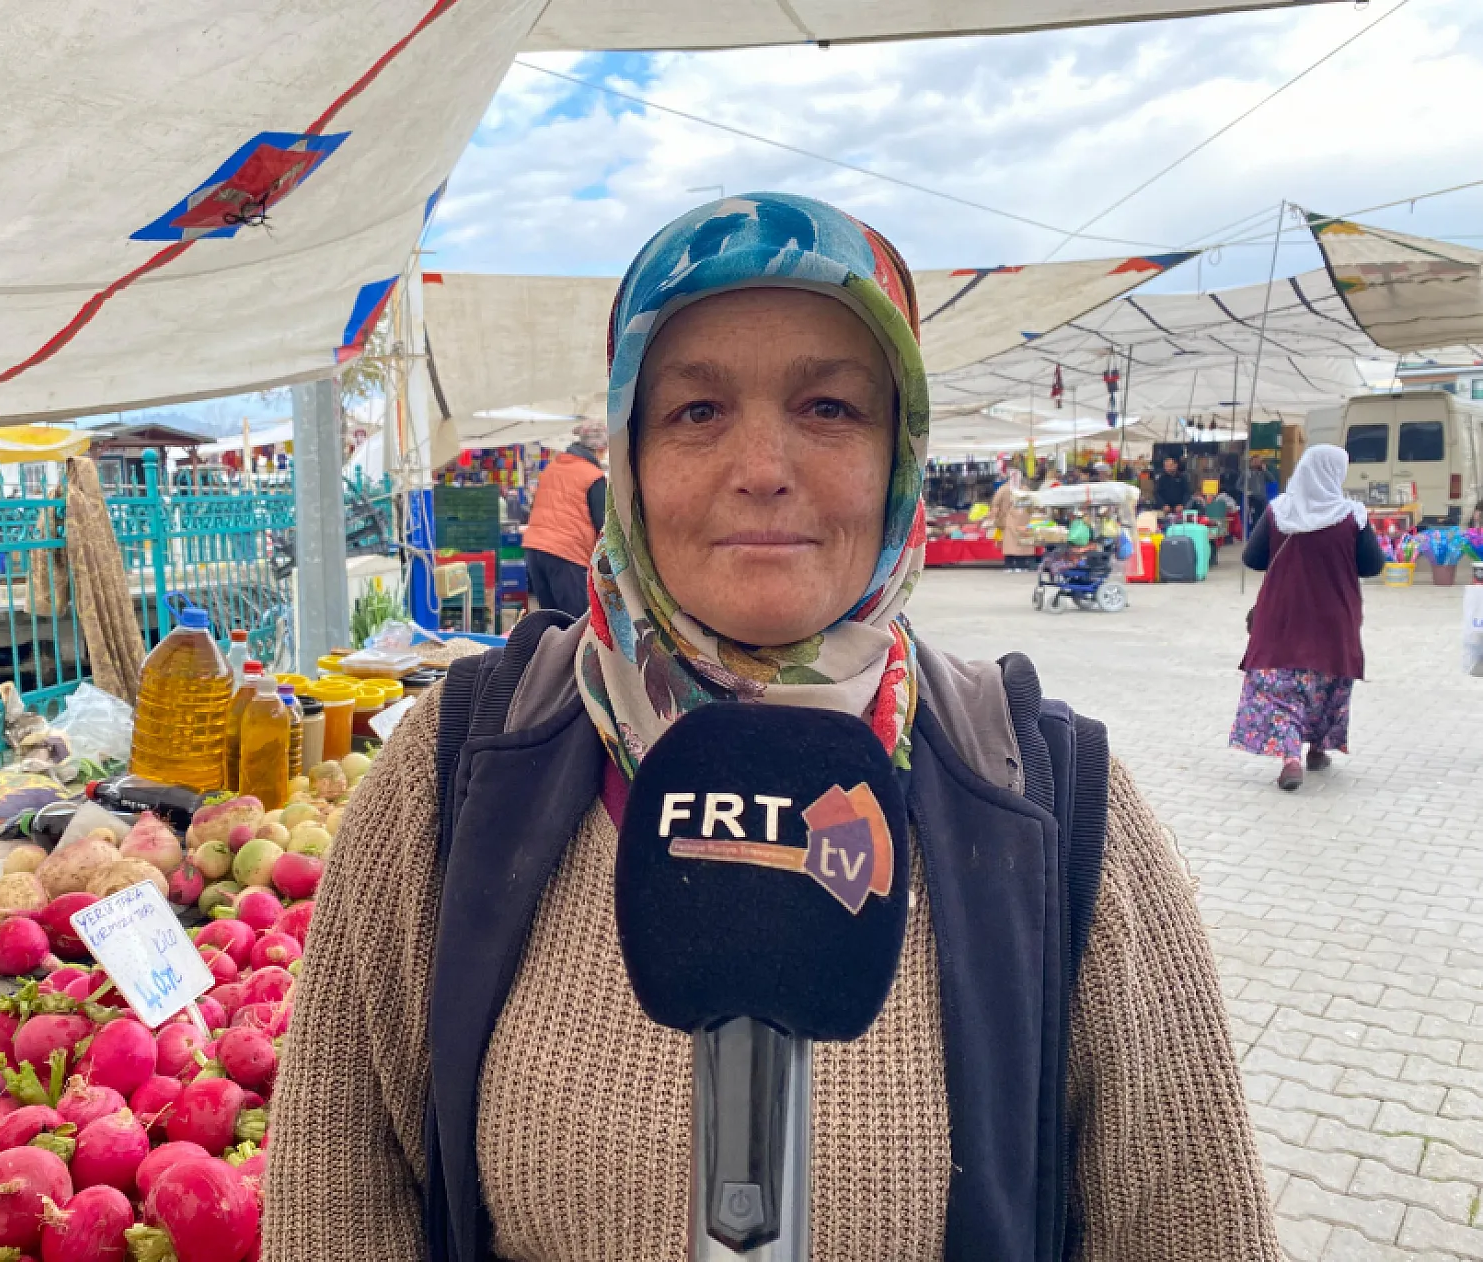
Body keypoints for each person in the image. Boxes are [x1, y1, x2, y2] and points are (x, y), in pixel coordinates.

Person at [266, 193, 1278, 1261]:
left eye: (829, 407)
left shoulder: (1051, 799)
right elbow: (336, 1203)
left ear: (900, 451)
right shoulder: (454, 765)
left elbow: (1194, 1227)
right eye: (696, 410)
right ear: (627, 454)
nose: (761, 465)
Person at [1233, 445, 1384, 792]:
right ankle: (1317, 749)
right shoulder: (1352, 516)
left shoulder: (1279, 511)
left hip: (1282, 614)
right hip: (1334, 616)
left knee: (1281, 688)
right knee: (1327, 682)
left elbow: (1252, 558)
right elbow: (1372, 566)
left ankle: (1290, 759)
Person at [522, 420, 607, 616]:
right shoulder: (593, 475)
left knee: (551, 620)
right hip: (567, 555)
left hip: (535, 550)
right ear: (600, 448)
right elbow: (603, 524)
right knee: (576, 621)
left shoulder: (552, 467)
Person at [988, 471, 1035, 571]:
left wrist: (995, 516)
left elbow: (995, 503)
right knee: (1023, 544)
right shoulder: (1025, 489)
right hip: (1024, 520)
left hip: (1009, 519)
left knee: (1009, 544)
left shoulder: (1004, 488)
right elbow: (1032, 505)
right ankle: (1021, 565)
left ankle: (1009, 565)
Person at [1244, 454, 1271, 528]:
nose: (1257, 463)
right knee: (1255, 518)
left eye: (1258, 461)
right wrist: (1246, 490)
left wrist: (1265, 470)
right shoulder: (1247, 473)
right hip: (1253, 499)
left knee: (1264, 518)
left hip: (1263, 499)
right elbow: (1238, 485)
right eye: (1255, 461)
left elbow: (1272, 480)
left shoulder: (1262, 473)